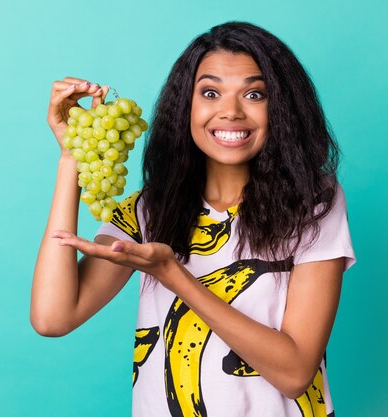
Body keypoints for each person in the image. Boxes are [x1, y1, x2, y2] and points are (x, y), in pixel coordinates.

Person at [31, 21, 356, 417]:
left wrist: (174, 275)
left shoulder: (313, 203)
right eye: (211, 92)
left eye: (254, 94)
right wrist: (71, 158)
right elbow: (52, 317)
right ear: (186, 104)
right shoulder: (149, 211)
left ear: (282, 108)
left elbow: (295, 372)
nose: (231, 111)